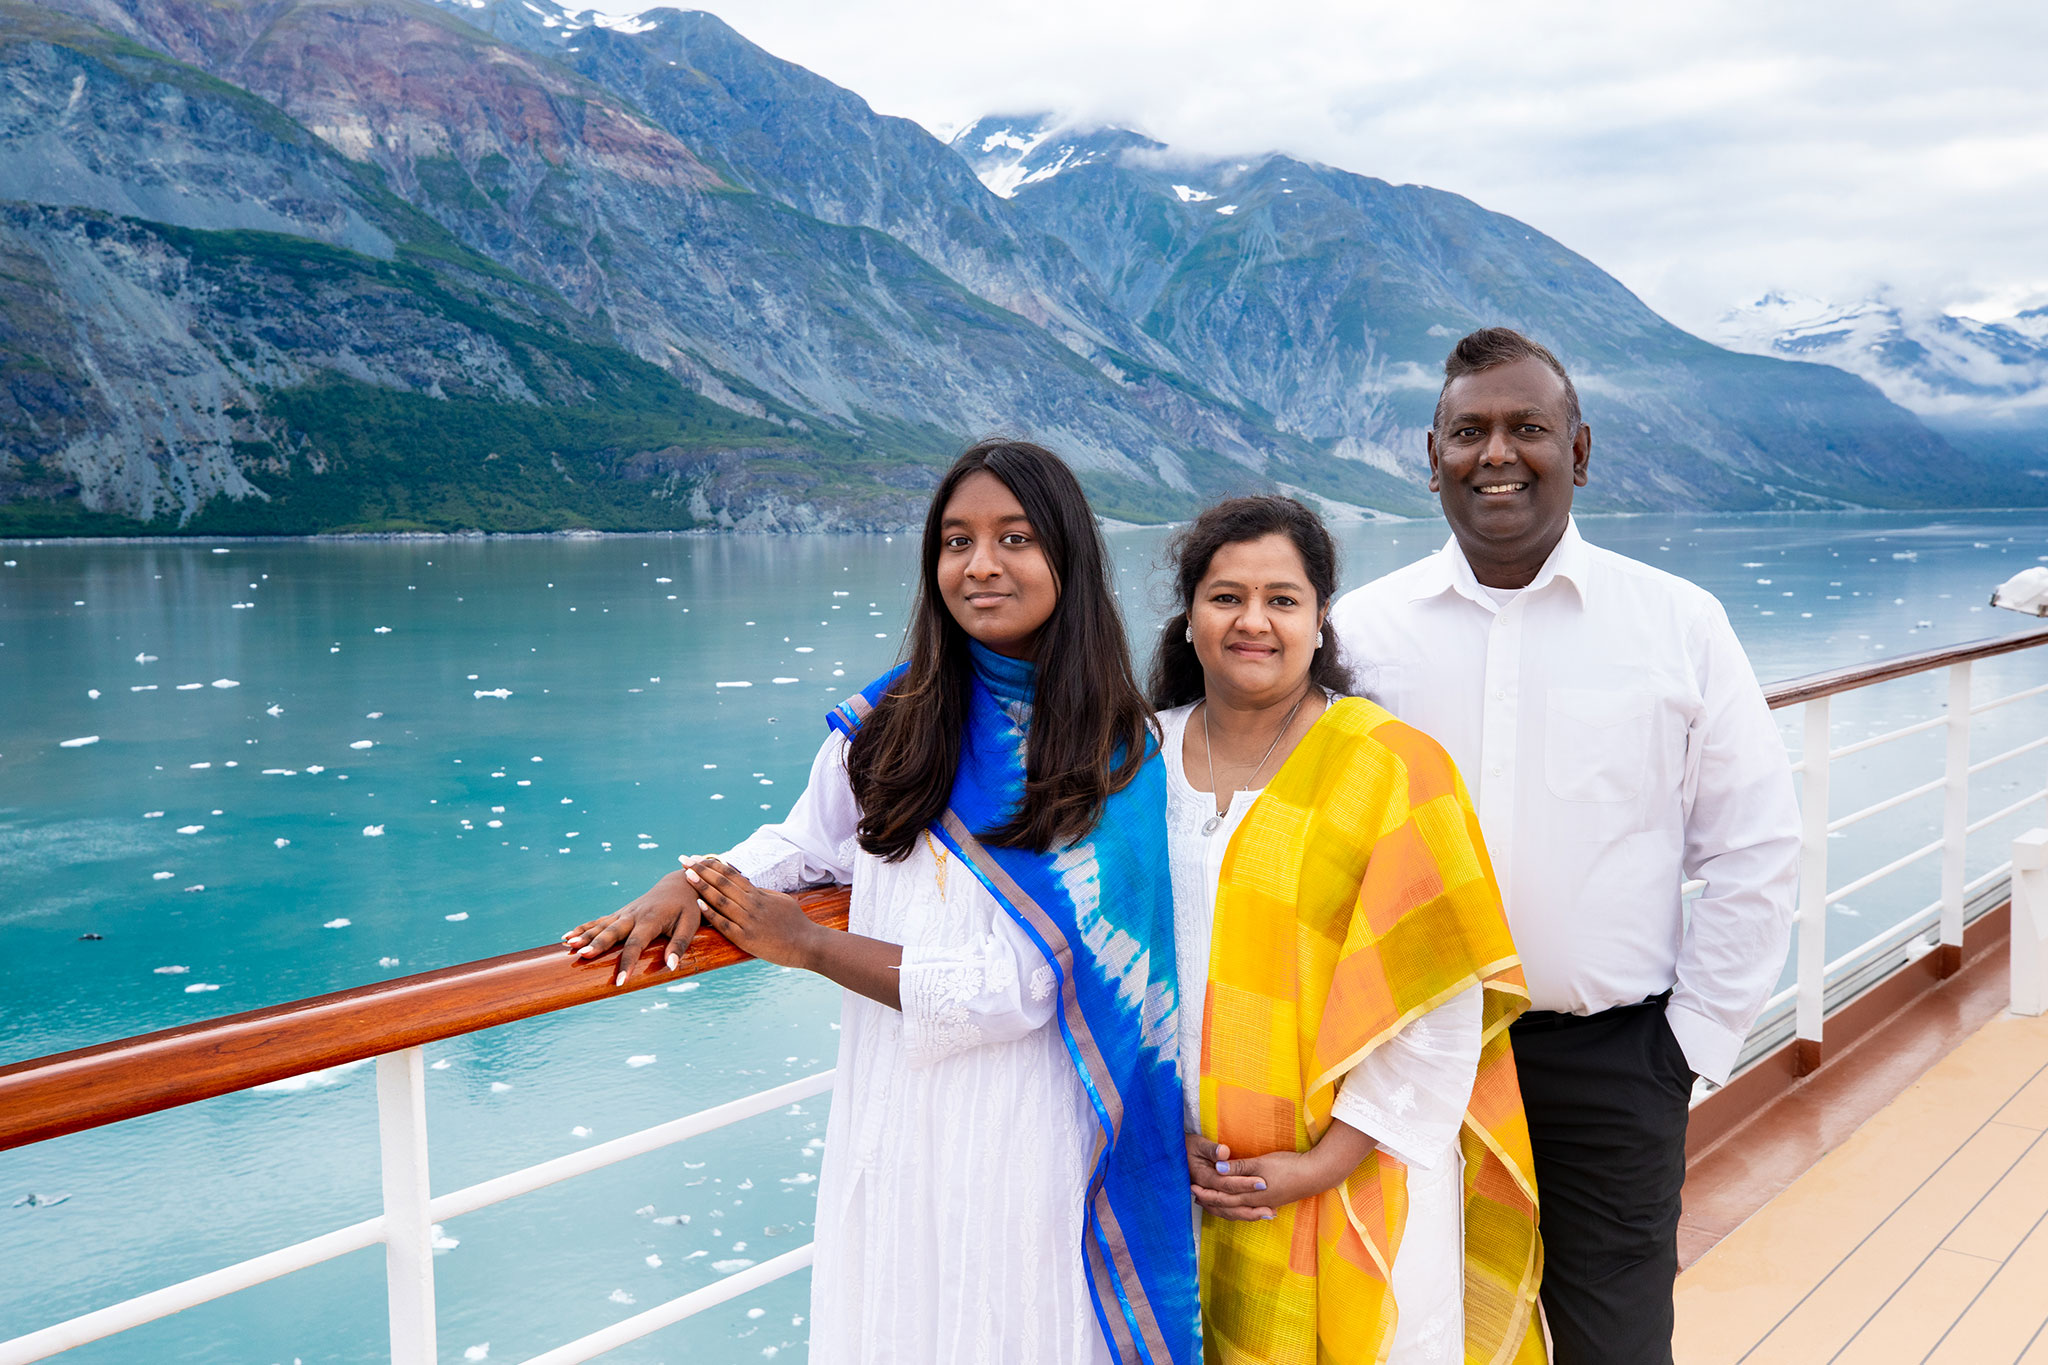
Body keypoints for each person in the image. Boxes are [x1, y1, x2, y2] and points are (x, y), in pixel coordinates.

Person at [562, 440, 1199, 1365]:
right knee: (899, 1309)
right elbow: (803, 843)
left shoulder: (1116, 749)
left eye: (1014, 537)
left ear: (1067, 555)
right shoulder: (892, 721)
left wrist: (810, 948)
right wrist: (692, 878)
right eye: (956, 540)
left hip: (1031, 1124)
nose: (980, 565)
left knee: (1010, 1320)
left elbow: (1024, 985)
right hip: (896, 1108)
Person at [1330, 328, 1801, 1365]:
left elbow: (1753, 843)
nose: (1494, 453)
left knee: (1612, 1341)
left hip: (1609, 1064)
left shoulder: (1676, 624)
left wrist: (1685, 1044)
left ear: (1577, 453)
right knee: (1412, 1331)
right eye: (1468, 432)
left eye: (1525, 429)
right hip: (1409, 1061)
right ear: (1430, 454)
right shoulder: (1357, 636)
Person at [1154, 495, 1543, 1364]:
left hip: (1364, 1169)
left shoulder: (1395, 767)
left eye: (1283, 599)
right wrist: (1155, 1134)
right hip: (1181, 1173)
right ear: (1188, 621)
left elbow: (1437, 995)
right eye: (1226, 597)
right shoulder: (1133, 760)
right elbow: (1100, 962)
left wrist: (1324, 1161)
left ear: (1321, 618)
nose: (1254, 620)